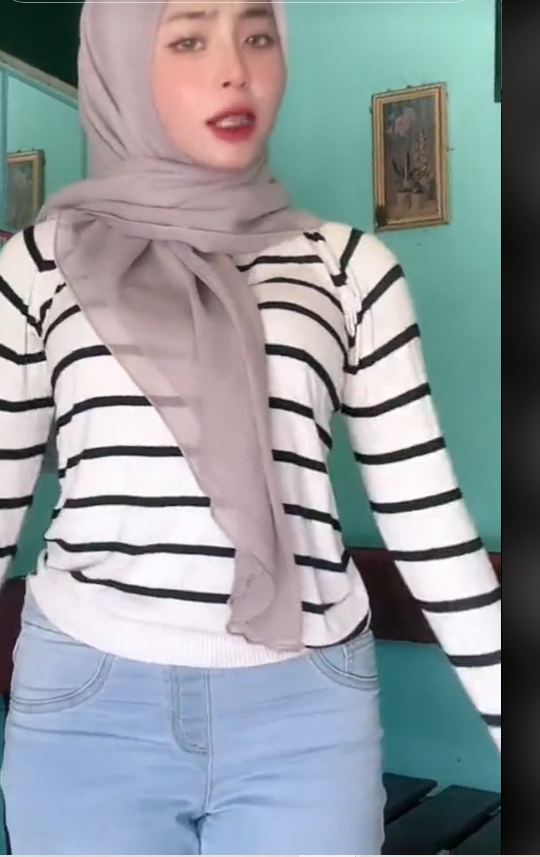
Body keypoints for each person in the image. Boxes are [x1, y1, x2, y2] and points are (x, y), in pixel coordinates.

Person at [0, 0, 501, 854]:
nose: (236, 69)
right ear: (120, 62)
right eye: (189, 38)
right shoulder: (38, 264)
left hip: (306, 713)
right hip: (87, 705)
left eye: (258, 35)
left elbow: (427, 527)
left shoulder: (350, 269)